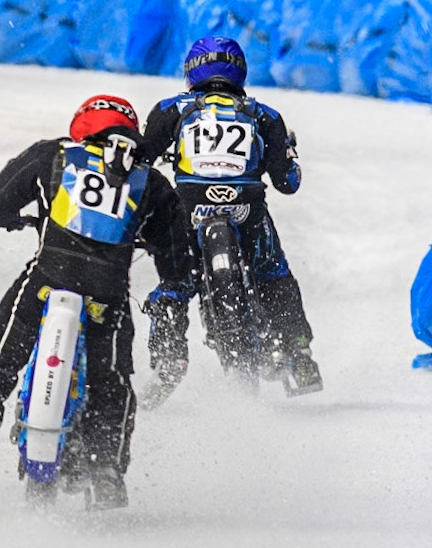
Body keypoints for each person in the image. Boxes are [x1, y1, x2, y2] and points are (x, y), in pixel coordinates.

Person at [0, 95, 185, 515]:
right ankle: (106, 471)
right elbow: (179, 259)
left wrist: (18, 219)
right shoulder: (154, 183)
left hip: (47, 283)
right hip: (107, 297)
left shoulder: (52, 154)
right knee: (111, 385)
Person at [137, 37, 320, 401]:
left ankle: (167, 357)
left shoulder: (171, 109)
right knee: (273, 272)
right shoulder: (263, 114)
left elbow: (141, 164)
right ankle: (299, 355)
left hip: (188, 208)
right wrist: (289, 156)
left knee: (174, 283)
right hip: (247, 210)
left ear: (191, 72)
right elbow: (288, 183)